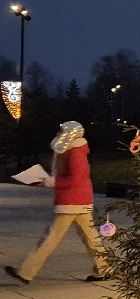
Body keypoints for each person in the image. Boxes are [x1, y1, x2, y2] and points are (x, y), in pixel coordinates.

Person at [6, 121, 111, 284]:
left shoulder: (75, 153)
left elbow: (76, 179)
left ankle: (26, 272)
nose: (58, 134)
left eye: (61, 131)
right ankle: (104, 269)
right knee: (90, 238)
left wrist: (48, 181)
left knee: (51, 237)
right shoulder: (71, 150)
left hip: (72, 201)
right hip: (77, 200)